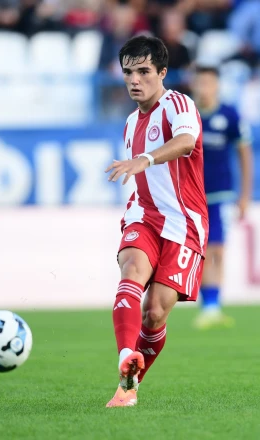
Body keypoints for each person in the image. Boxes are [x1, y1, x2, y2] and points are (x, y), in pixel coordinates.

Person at [104, 35, 208, 407]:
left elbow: (186, 142)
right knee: (131, 270)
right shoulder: (131, 122)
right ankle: (125, 357)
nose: (135, 80)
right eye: (128, 72)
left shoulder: (178, 104)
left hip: (184, 223)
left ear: (162, 72)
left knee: (155, 311)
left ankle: (129, 385)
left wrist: (145, 159)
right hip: (143, 215)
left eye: (144, 71)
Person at [191, 66, 253, 330]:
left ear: (217, 85)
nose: (204, 87)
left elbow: (244, 154)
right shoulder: (186, 115)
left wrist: (245, 196)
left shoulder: (229, 115)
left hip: (221, 194)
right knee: (201, 250)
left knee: (217, 249)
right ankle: (208, 306)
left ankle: (213, 306)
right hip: (191, 196)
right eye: (200, 82)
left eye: (209, 82)